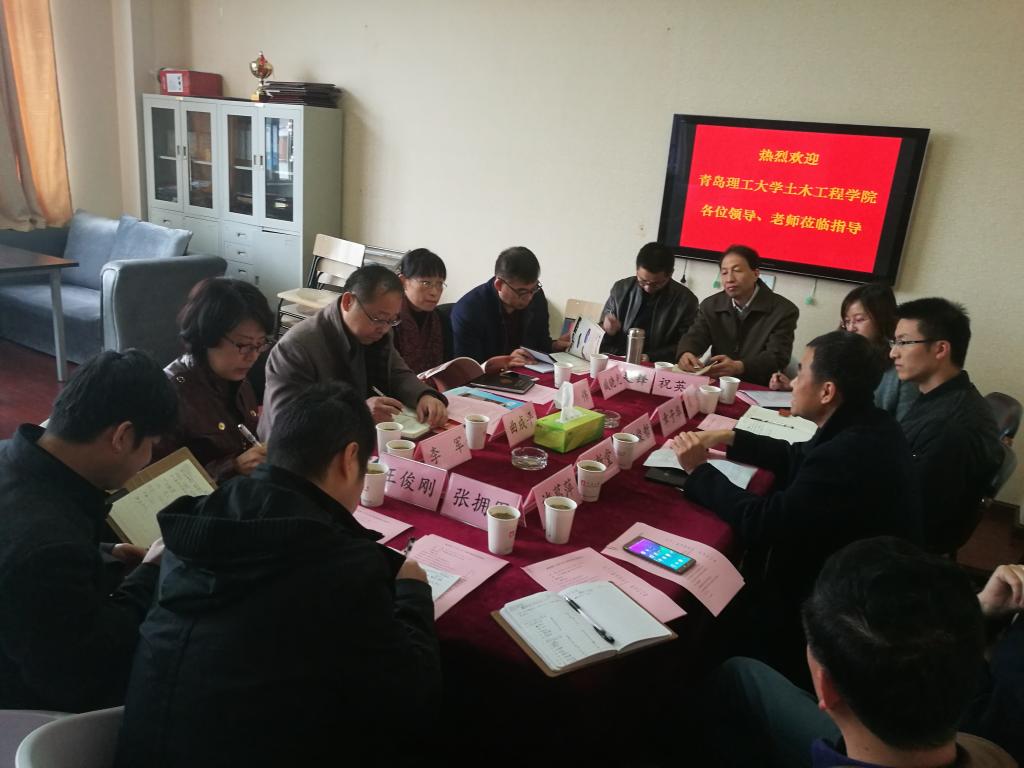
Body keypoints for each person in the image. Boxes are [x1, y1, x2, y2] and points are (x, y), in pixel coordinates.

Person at [115, 383, 441, 766]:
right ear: (350, 459)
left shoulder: (197, 519)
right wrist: (412, 592)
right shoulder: (342, 568)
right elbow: (411, 698)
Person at [671, 331, 922, 680]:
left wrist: (699, 472)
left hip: (840, 605)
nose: (793, 383)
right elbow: (798, 456)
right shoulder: (868, 421)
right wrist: (727, 437)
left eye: (802, 372)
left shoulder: (846, 453)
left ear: (827, 391)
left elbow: (765, 522)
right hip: (860, 570)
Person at [703, 537, 1016, 767]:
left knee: (739, 676)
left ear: (827, 688)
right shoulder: (997, 749)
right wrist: (973, 613)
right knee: (742, 675)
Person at [0, 350, 175, 711]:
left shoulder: (13, 461)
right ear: (122, 436)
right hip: (28, 712)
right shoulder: (48, 545)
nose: (147, 460)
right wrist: (150, 575)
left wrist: (106, 553)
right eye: (150, 446)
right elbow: (86, 670)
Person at [258, 264, 448, 438]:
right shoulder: (298, 347)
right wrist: (358, 412)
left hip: (354, 436)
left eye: (392, 320)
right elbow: (288, 420)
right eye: (378, 318)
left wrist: (423, 395)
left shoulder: (378, 331)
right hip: (302, 448)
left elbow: (397, 372)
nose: (384, 328)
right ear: (348, 302)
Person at [891, 298, 1002, 553]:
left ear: (941, 349)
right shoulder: (944, 397)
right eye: (894, 342)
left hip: (902, 548)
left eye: (903, 342)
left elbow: (912, 514)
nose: (893, 353)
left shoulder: (948, 425)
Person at [154, 277, 275, 481]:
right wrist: (233, 467)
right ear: (207, 336)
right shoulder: (171, 394)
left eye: (260, 344)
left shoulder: (238, 380)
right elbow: (158, 483)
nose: (253, 356)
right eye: (243, 345)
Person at [770, 282, 919, 421]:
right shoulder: (838, 356)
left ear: (881, 319)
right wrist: (793, 385)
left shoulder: (900, 370)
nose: (851, 328)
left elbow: (906, 428)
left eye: (859, 320)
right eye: (847, 321)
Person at [675, 244, 799, 385]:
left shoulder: (783, 310)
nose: (729, 279)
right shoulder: (710, 305)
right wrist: (686, 352)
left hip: (757, 386)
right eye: (724, 272)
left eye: (737, 271)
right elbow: (696, 335)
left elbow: (777, 357)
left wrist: (739, 366)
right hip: (718, 383)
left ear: (756, 274)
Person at [450, 246, 569, 366]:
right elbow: (468, 368)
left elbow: (541, 343)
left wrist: (554, 346)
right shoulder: (469, 311)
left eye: (533, 289)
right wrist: (504, 362)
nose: (529, 297)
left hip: (529, 370)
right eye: (521, 292)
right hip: (492, 375)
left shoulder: (536, 296)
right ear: (499, 285)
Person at [599, 242, 698, 362]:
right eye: (642, 281)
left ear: (670, 274)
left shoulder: (686, 300)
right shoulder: (621, 289)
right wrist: (607, 331)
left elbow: (685, 346)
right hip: (619, 359)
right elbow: (600, 338)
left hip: (657, 364)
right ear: (636, 270)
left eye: (656, 284)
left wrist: (650, 357)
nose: (648, 288)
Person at [392, 248, 454, 374]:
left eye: (439, 284)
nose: (434, 292)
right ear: (403, 282)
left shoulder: (441, 320)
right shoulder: (389, 321)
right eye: (426, 283)